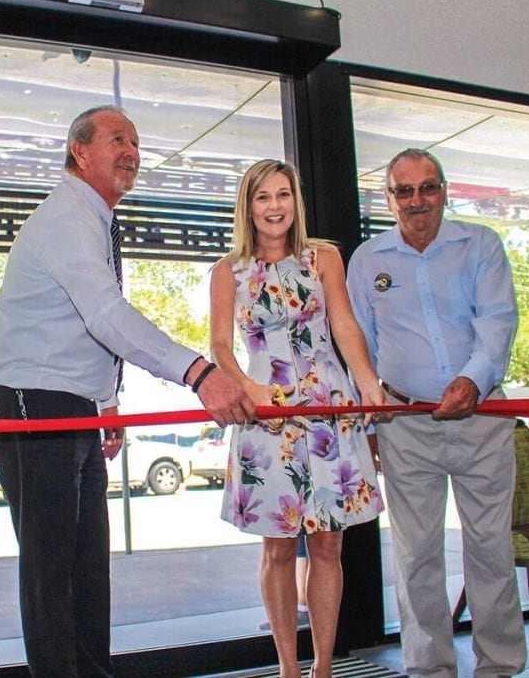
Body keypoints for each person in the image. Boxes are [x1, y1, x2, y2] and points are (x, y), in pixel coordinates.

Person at [0, 104, 253, 676]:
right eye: (117, 139)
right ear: (80, 151)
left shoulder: (94, 218)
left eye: (135, 142)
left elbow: (82, 325)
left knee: (87, 570)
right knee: (52, 572)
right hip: (36, 405)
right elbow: (107, 315)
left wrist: (105, 400)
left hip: (74, 406)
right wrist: (200, 374)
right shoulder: (66, 217)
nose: (132, 151)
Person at [346, 148, 525, 677]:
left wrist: (471, 379)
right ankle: (430, 670)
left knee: (490, 548)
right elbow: (361, 346)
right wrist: (370, 423)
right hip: (404, 425)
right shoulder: (367, 260)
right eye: (404, 191)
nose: (416, 200)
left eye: (428, 188)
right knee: (415, 554)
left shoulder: (481, 246)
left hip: (483, 418)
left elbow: (498, 322)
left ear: (444, 191)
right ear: (389, 199)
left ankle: (500, 666)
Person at [211, 159, 385, 678]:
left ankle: (324, 666)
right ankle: (289, 667)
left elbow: (345, 325)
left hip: (328, 405)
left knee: (328, 542)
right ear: (248, 206)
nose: (274, 207)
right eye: (263, 197)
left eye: (283, 195)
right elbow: (220, 345)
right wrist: (247, 388)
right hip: (264, 412)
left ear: (296, 202)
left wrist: (367, 380)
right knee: (279, 545)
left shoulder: (323, 258)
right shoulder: (229, 270)